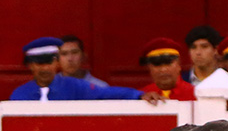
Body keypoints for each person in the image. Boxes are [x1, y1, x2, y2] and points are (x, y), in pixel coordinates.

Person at [9, 37, 160, 102]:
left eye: (49, 61)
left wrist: (139, 95)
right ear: (29, 65)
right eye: (39, 63)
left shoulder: (74, 86)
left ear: (57, 63)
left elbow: (107, 93)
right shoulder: (19, 94)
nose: (45, 67)